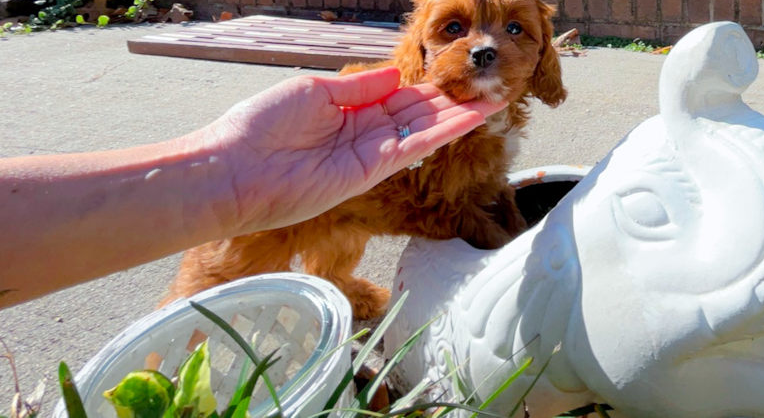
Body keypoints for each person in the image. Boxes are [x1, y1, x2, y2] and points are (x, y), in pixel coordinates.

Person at [0, 68, 507, 310]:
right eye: (454, 28)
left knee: (341, 244)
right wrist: (226, 173)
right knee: (220, 282)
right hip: (290, 207)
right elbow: (430, 208)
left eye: (514, 30)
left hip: (337, 191)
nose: (487, 47)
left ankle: (335, 284)